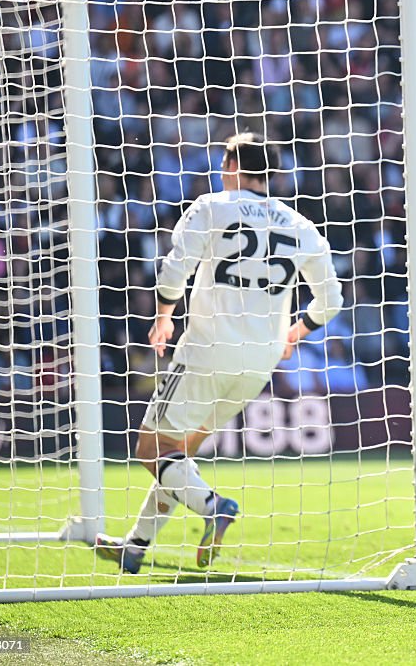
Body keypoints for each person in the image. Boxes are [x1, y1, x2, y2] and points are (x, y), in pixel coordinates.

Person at [95, 132, 343, 573]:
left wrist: (164, 315)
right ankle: (134, 545)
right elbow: (332, 301)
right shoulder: (300, 226)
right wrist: (296, 332)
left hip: (208, 350)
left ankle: (214, 507)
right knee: (178, 456)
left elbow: (174, 271)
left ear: (232, 165)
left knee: (153, 448)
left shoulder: (212, 206)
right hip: (259, 362)